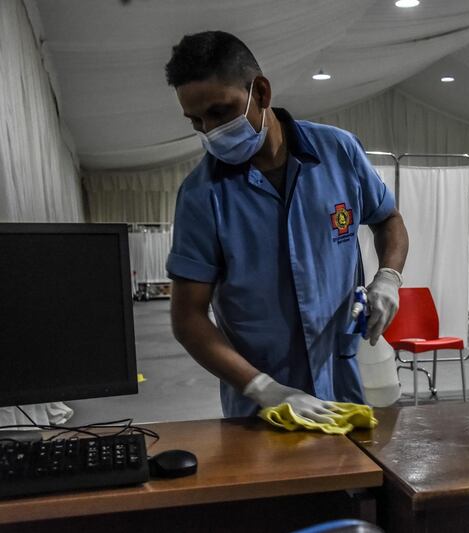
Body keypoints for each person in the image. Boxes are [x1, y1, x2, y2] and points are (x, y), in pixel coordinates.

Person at [164, 31, 409, 423]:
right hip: (264, 408)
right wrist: (264, 389)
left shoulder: (338, 153)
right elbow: (188, 319)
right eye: (196, 121)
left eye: (220, 112)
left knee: (362, 481)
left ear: (260, 92)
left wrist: (389, 277)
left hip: (348, 383)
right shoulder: (201, 196)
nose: (210, 131)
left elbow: (388, 219)